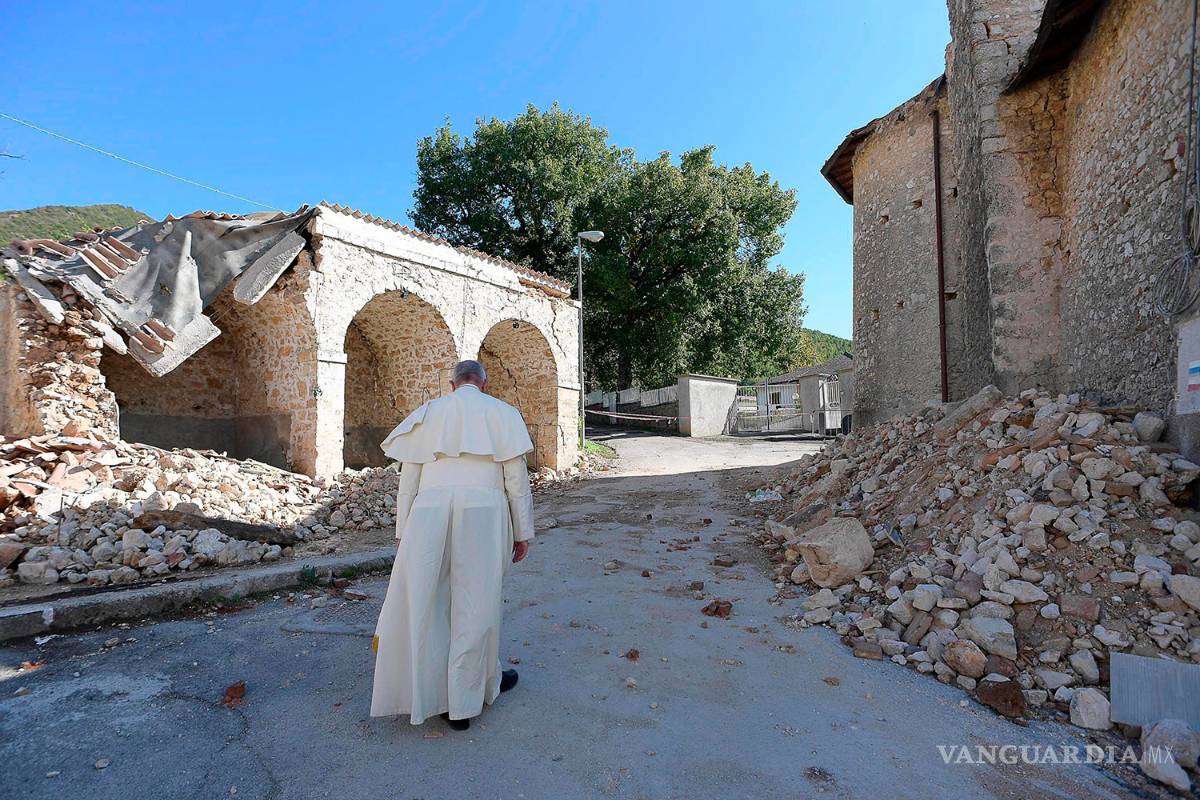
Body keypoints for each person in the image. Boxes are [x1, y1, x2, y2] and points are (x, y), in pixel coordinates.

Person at [370, 359, 535, 731]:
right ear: (484, 385)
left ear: (451, 384)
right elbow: (516, 480)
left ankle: (436, 695)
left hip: (428, 512)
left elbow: (409, 481)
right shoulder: (503, 414)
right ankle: (465, 698)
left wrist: (403, 533)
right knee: (477, 603)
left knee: (432, 600)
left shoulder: (428, 414)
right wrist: (523, 532)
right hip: (484, 511)